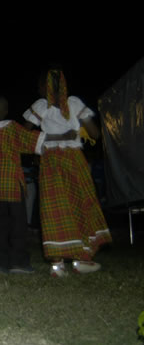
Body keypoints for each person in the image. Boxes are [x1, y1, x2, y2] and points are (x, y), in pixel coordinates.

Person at [23, 68, 112, 277]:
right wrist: (69, 132)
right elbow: (95, 133)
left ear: (46, 87)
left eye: (40, 85)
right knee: (78, 204)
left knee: (55, 208)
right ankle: (79, 259)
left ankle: (59, 264)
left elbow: (24, 133)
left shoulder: (43, 106)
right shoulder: (73, 103)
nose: (38, 90)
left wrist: (50, 136)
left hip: (53, 161)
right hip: (73, 160)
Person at [0, 96, 73, 274]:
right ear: (6, 111)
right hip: (11, 185)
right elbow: (35, 142)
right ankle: (18, 263)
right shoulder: (11, 128)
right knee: (17, 224)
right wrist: (65, 135)